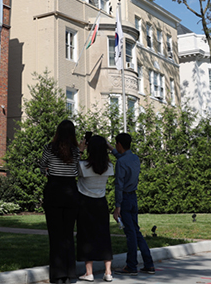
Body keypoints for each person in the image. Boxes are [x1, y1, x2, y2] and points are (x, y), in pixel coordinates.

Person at [40, 119, 81, 284]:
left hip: (54, 191)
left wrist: (49, 172)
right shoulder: (75, 150)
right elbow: (77, 170)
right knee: (68, 235)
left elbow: (42, 166)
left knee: (55, 235)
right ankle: (70, 273)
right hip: (71, 191)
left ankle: (57, 275)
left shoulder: (49, 148)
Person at [112, 132, 155, 275]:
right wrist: (109, 147)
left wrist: (117, 206)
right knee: (136, 232)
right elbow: (122, 158)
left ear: (119, 144)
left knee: (130, 234)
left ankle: (131, 265)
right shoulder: (135, 158)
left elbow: (119, 185)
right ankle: (148, 263)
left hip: (124, 199)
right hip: (133, 198)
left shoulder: (120, 163)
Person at [76, 135, 114, 283]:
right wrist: (109, 145)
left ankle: (89, 272)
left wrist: (80, 150)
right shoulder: (109, 166)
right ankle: (108, 272)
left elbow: (73, 168)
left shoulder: (83, 166)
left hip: (85, 202)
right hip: (101, 202)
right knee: (104, 235)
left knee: (86, 236)